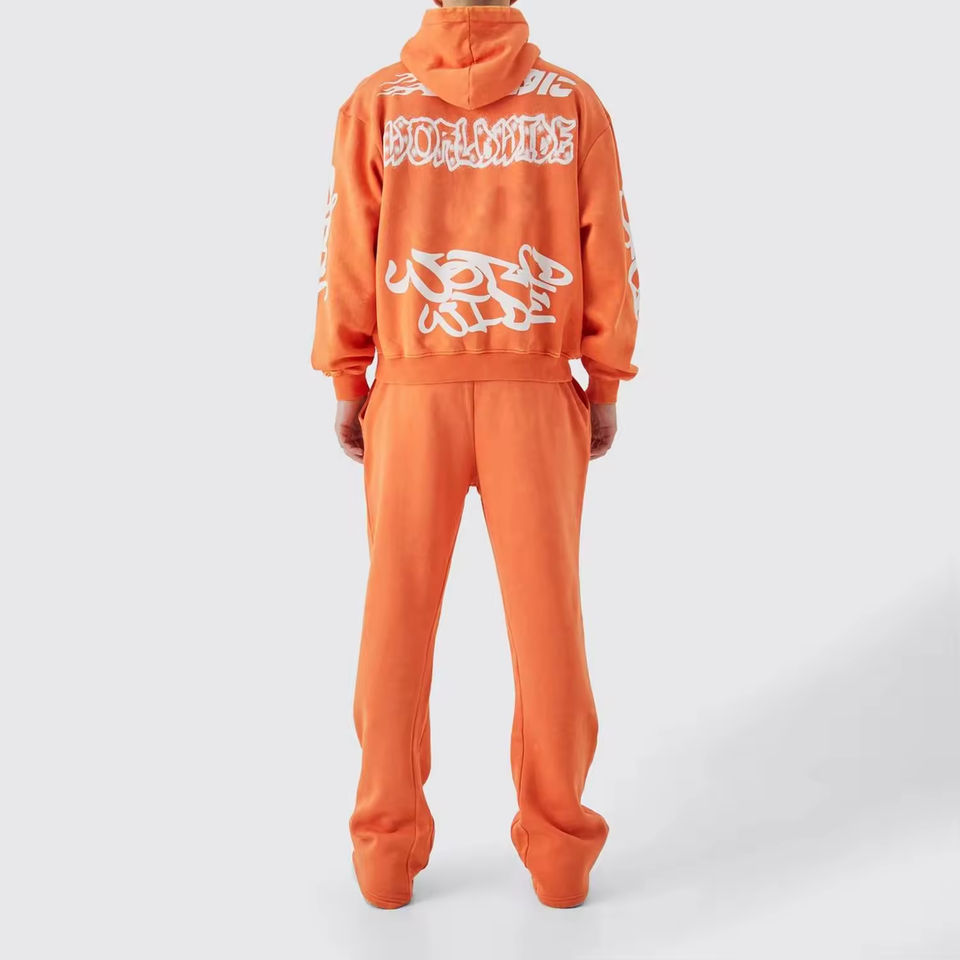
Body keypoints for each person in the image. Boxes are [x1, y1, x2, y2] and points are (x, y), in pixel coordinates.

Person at [312, 0, 638, 909]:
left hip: (413, 390)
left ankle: (384, 856)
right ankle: (561, 856)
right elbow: (609, 249)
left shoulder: (379, 101)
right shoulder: (571, 102)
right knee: (548, 622)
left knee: (396, 616)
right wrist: (605, 383)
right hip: (534, 389)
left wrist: (347, 376)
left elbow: (348, 248)